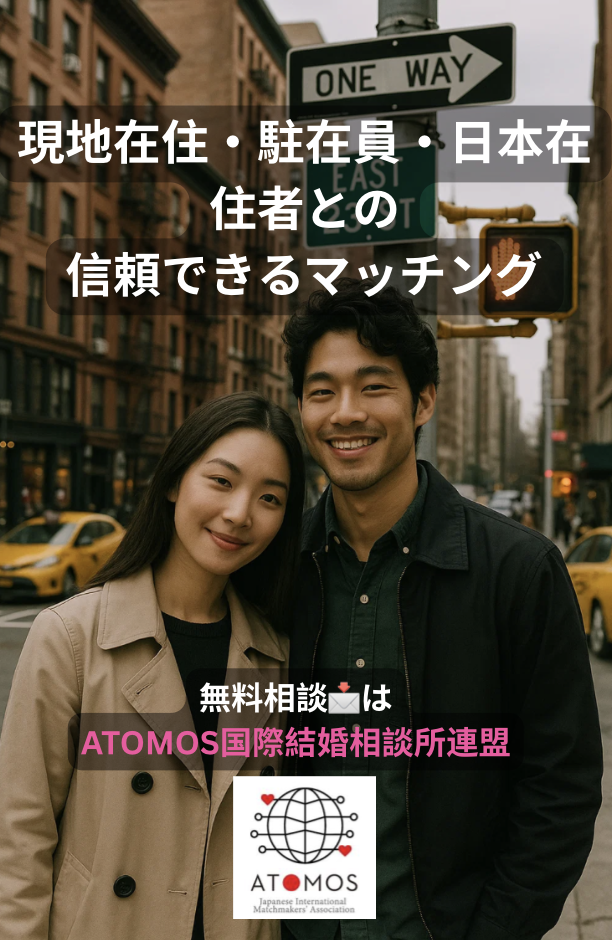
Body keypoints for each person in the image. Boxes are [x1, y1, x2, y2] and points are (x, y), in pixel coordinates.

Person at [281, 279, 603, 940]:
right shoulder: (275, 570)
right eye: (322, 391)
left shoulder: (518, 570)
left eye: (374, 387)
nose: (346, 413)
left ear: (423, 400)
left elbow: (561, 785)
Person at [0, 393, 305, 940]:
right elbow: (19, 837)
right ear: (173, 482)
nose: (240, 513)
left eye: (270, 498)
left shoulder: (275, 654)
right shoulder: (71, 637)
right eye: (221, 481)